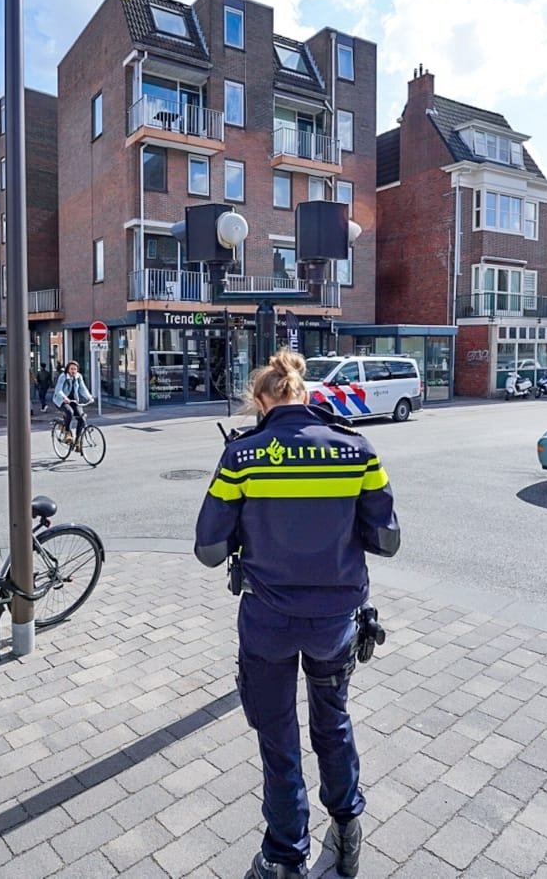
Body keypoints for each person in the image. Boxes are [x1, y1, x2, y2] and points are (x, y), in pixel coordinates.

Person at [195, 349, 400, 879]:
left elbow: (208, 547)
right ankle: (347, 831)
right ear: (304, 394)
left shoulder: (243, 457)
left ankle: (285, 856)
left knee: (278, 737)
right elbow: (387, 539)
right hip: (336, 620)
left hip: (268, 622)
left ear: (263, 401)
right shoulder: (358, 448)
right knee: (332, 723)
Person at [51, 360, 93, 443]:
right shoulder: (63, 376)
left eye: (75, 369)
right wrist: (64, 397)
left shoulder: (78, 377)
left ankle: (77, 441)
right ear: (68, 369)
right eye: (71, 369)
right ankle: (67, 433)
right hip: (61, 400)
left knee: (82, 417)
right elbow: (58, 390)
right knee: (69, 412)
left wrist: (89, 397)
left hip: (74, 400)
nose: (73, 371)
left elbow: (82, 388)